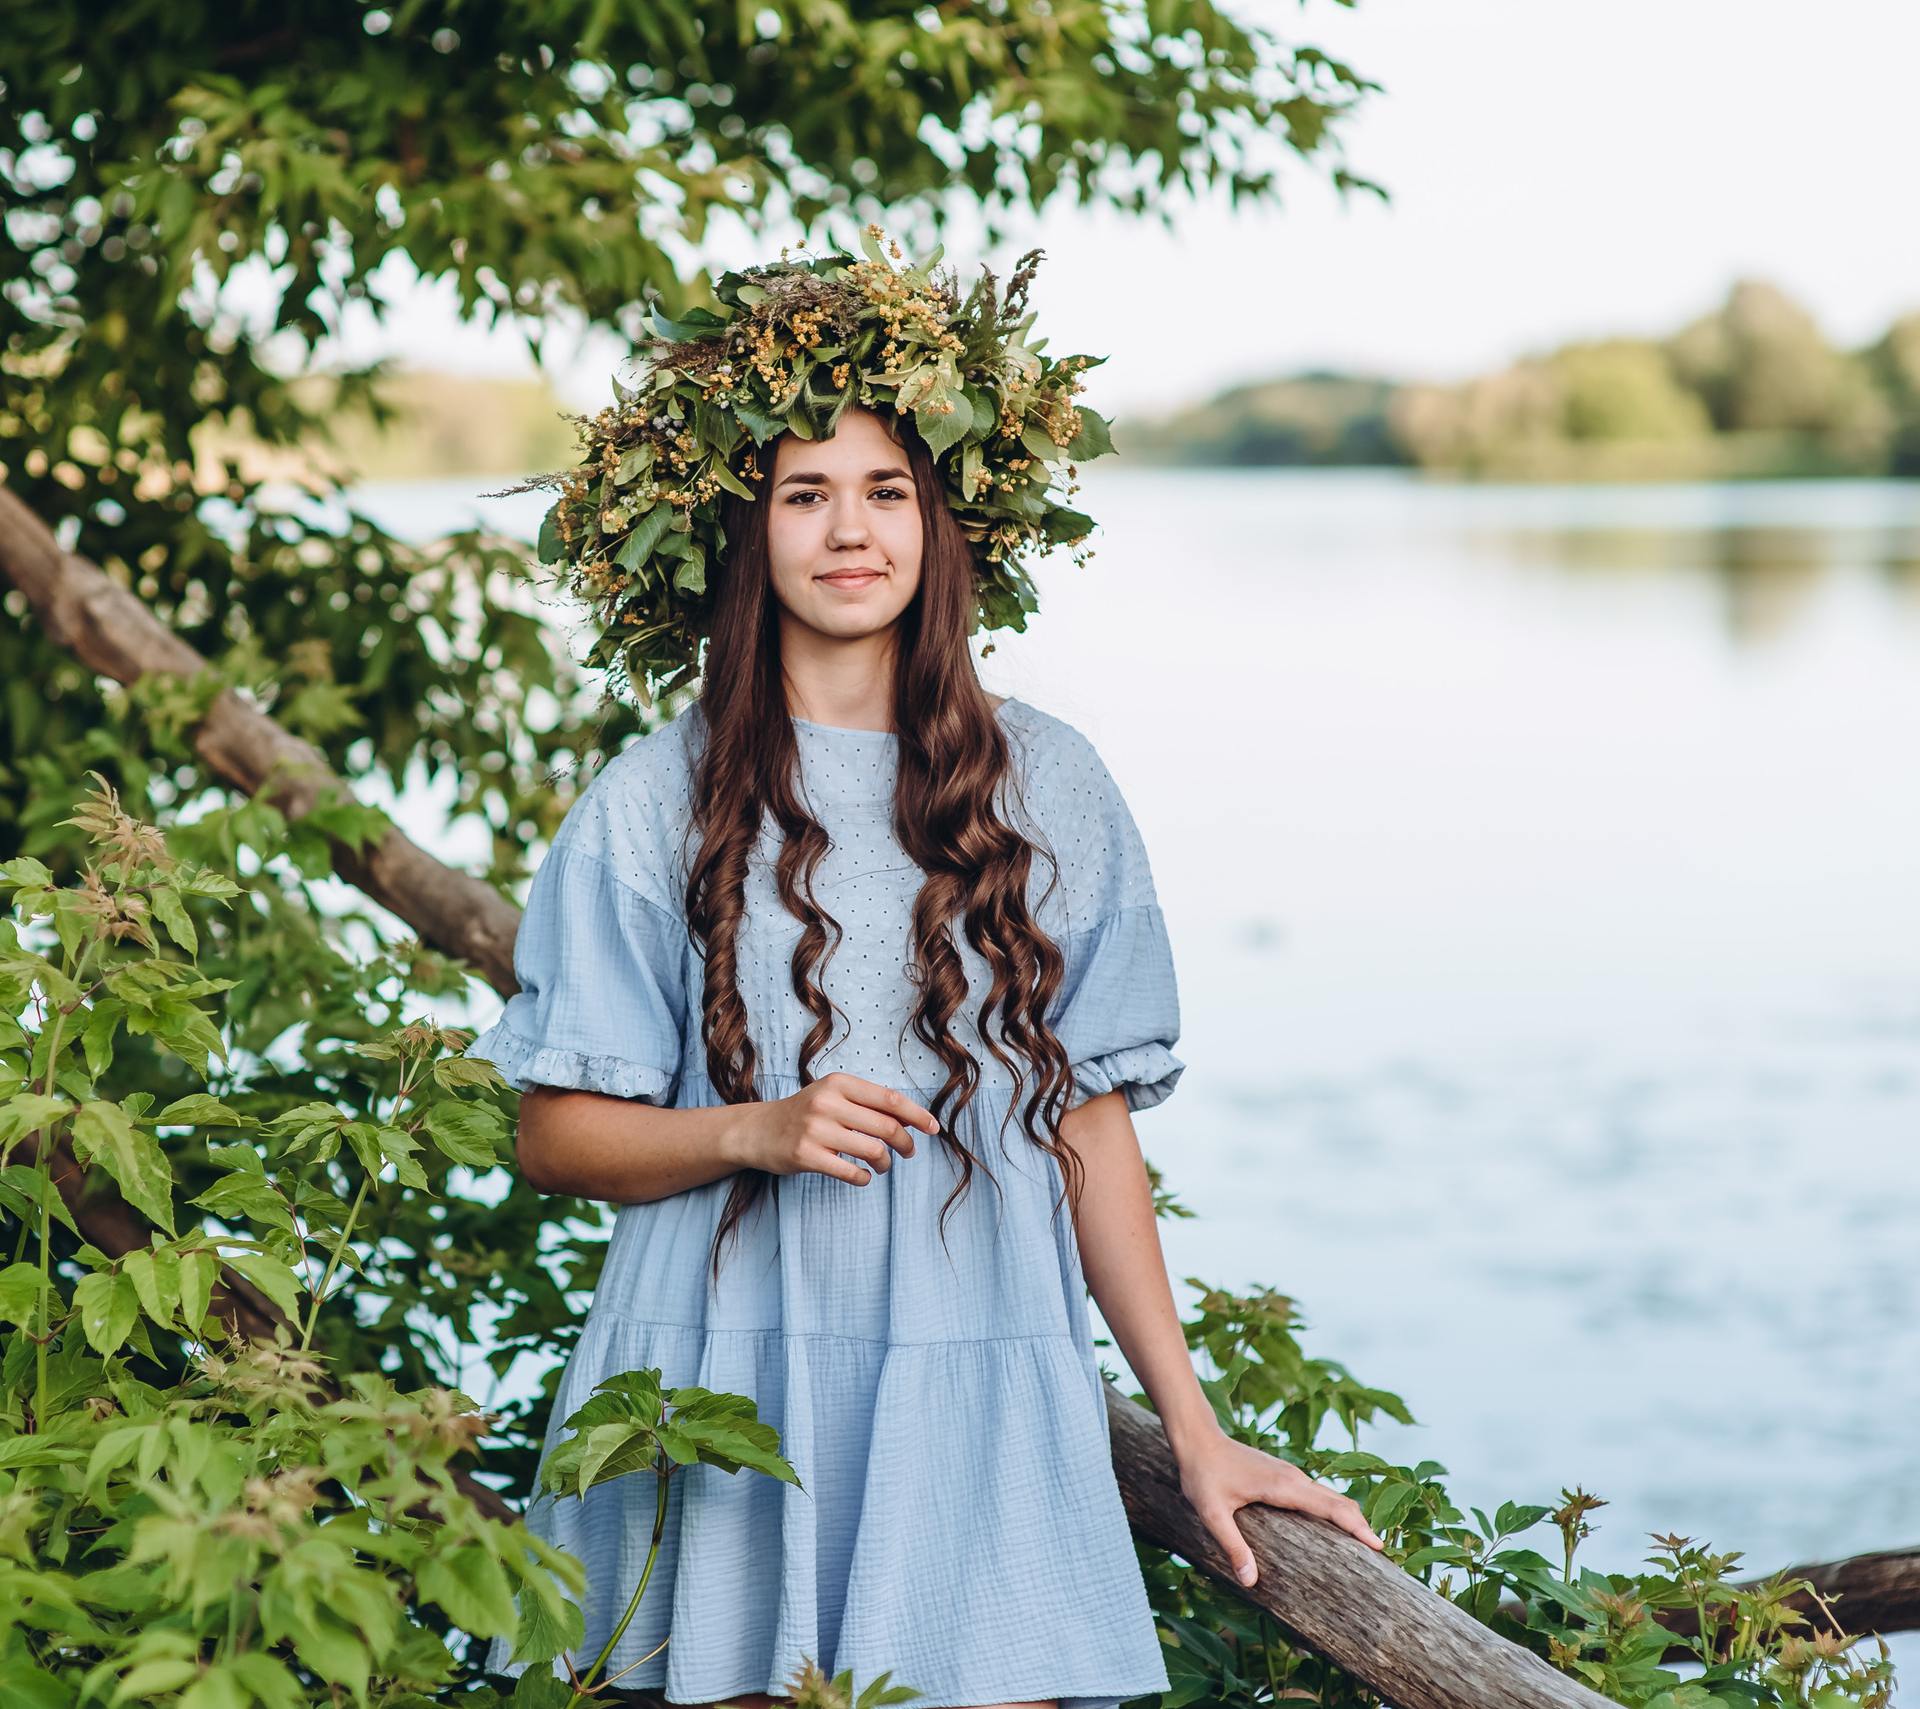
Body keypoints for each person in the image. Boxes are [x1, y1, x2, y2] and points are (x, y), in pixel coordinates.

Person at [472, 240, 1380, 1709]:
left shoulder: (1055, 787)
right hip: (722, 1381)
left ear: (943, 520)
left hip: (976, 1379)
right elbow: (552, 1134)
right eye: (805, 492)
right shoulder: (654, 796)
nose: (851, 529)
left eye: (888, 488)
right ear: (743, 529)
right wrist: (749, 1130)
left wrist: (1192, 1425)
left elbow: (1092, 1128)